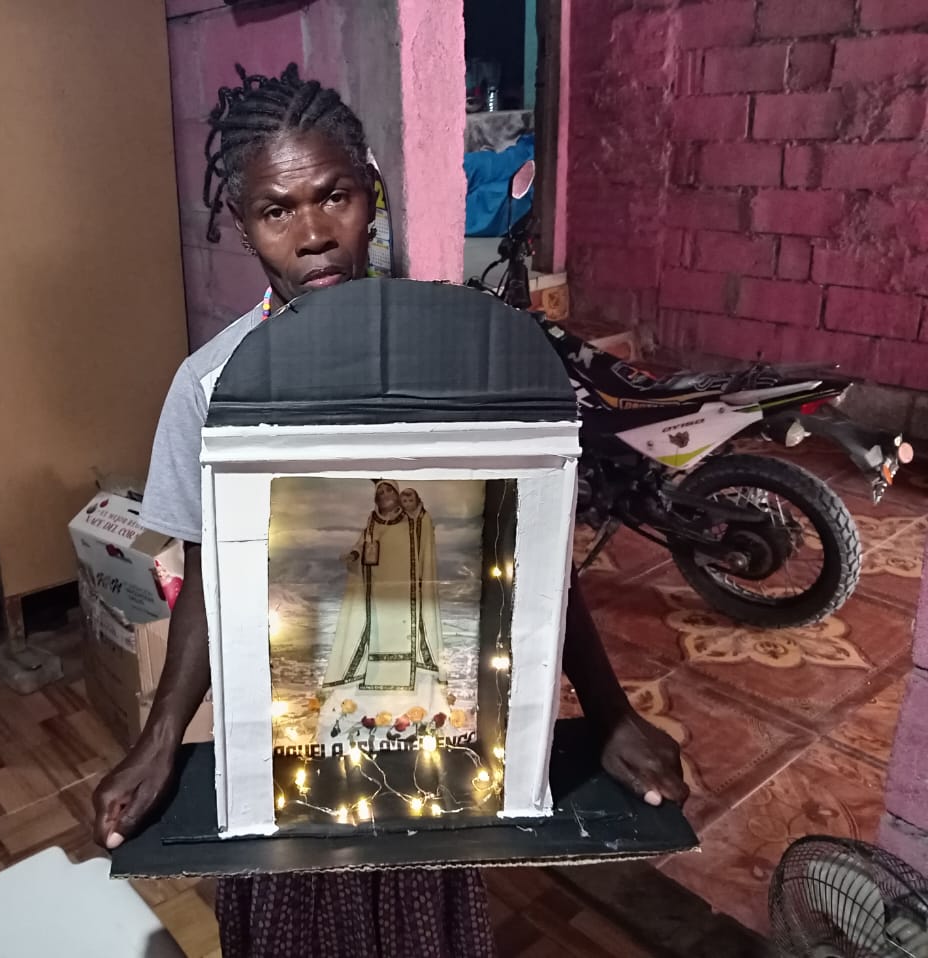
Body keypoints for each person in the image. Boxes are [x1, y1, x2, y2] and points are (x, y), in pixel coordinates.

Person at [92, 63, 688, 958]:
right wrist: (161, 736)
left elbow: (528, 556)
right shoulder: (211, 387)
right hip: (288, 750)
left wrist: (608, 712)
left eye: (333, 196)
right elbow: (212, 577)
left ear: (371, 192)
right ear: (243, 226)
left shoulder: (468, 358)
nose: (313, 235)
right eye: (277, 211)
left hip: (431, 739)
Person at [316, 480, 453, 745]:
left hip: (405, 597)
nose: (384, 495)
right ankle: (366, 706)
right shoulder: (372, 521)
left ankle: (414, 709)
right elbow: (361, 544)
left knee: (406, 635)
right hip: (376, 594)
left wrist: (418, 506)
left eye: (389, 490)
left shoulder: (412, 521)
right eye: (380, 491)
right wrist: (354, 555)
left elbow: (423, 525)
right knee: (374, 636)